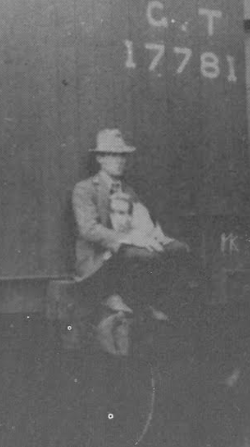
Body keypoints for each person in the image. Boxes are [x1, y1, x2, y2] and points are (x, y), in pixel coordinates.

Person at [72, 128, 192, 322]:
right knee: (145, 255)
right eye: (113, 155)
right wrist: (130, 239)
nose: (120, 161)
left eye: (123, 156)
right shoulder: (84, 189)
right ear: (100, 158)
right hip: (99, 258)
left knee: (178, 249)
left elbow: (142, 222)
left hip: (129, 252)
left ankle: (158, 304)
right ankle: (137, 303)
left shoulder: (128, 190)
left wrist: (154, 236)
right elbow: (89, 229)